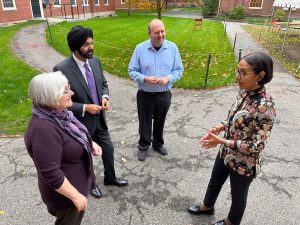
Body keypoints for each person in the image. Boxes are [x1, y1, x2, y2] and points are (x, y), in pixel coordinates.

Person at [188, 52, 276, 225]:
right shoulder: (244, 92)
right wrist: (219, 128)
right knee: (215, 180)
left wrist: (221, 141)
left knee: (238, 195)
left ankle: (231, 221)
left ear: (260, 75)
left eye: (244, 73)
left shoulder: (266, 106)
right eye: (237, 71)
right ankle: (208, 206)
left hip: (245, 161)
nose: (238, 76)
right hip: (226, 152)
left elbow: (257, 145)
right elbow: (234, 118)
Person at [53, 25, 128, 199]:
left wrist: (105, 96)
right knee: (86, 156)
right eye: (86, 44)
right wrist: (85, 107)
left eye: (92, 43)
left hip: (99, 119)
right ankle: (91, 184)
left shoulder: (95, 61)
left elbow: (104, 84)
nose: (91, 47)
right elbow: (59, 101)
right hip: (79, 122)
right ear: (76, 46)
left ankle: (110, 177)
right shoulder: (61, 69)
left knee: (108, 149)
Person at [24, 72, 102, 225]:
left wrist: (90, 143)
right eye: (65, 90)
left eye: (69, 88)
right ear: (50, 96)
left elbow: (74, 133)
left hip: (75, 189)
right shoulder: (43, 129)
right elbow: (51, 173)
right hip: (66, 199)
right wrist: (75, 196)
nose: (71, 93)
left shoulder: (60, 114)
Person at [128, 19, 184, 161]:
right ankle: (143, 145)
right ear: (149, 34)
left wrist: (169, 78)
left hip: (164, 93)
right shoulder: (140, 48)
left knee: (160, 120)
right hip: (145, 93)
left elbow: (179, 69)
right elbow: (131, 71)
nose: (160, 35)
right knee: (145, 121)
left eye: (162, 31)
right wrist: (144, 78)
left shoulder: (172, 48)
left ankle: (158, 144)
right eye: (156, 32)